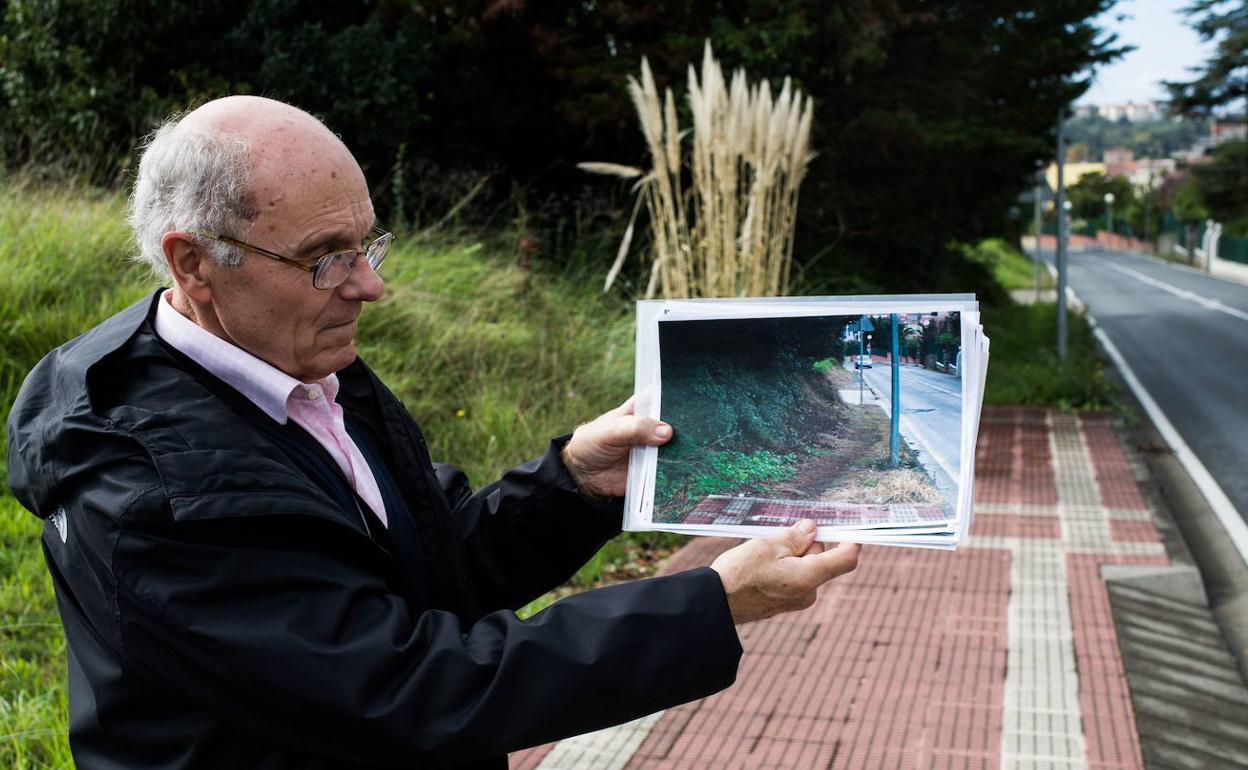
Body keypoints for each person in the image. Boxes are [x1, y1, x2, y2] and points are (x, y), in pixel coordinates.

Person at [6, 95, 861, 770]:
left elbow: (427, 563)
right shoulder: (148, 481)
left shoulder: (294, 356)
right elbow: (401, 685)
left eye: (369, 244)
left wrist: (572, 483)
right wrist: (708, 605)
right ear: (193, 262)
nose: (368, 287)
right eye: (325, 257)